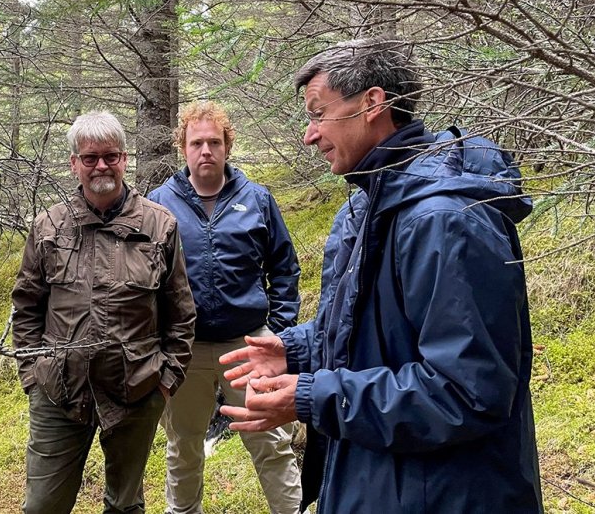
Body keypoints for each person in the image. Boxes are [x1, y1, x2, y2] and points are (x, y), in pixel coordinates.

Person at [220, 39, 544, 513]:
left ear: (372, 103)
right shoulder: (367, 205)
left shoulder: (443, 219)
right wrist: (299, 350)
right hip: (381, 481)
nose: (310, 135)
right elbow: (383, 329)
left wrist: (317, 398)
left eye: (317, 113)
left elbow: (467, 391)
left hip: (446, 494)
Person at [12, 110, 196, 514]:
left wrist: (166, 380)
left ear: (125, 159)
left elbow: (180, 312)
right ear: (74, 163)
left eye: (111, 156)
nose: (102, 166)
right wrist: (32, 375)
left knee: (125, 504)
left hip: (137, 389)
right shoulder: (49, 228)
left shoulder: (159, 225)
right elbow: (26, 307)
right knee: (43, 505)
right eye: (91, 157)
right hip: (59, 391)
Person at [148, 101, 303, 514]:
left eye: (214, 142)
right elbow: (146, 279)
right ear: (183, 147)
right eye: (196, 142)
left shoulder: (257, 199)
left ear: (227, 146)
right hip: (185, 348)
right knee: (183, 445)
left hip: (249, 344)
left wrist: (279, 331)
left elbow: (284, 268)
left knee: (270, 441)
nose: (205, 151)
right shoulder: (160, 203)